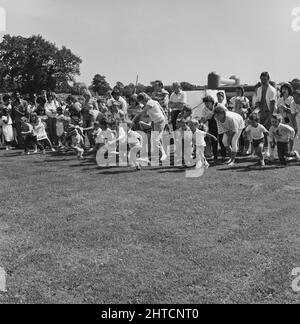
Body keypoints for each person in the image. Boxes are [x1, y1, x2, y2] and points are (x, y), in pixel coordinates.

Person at [134, 93, 168, 162]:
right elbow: (162, 110)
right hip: (157, 121)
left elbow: (143, 112)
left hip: (159, 121)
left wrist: (133, 111)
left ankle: (163, 155)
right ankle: (162, 155)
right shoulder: (154, 102)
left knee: (155, 140)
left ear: (143, 99)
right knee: (157, 139)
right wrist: (166, 118)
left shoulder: (150, 103)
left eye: (140, 101)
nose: (141, 103)